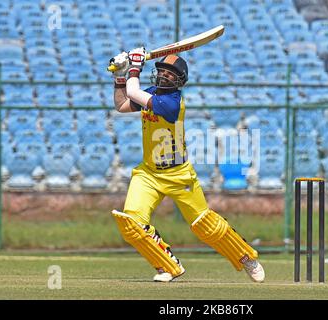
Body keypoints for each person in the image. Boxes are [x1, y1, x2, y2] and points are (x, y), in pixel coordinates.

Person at [108, 47, 265, 283]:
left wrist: (134, 67)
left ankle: (246, 258)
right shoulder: (150, 93)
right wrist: (120, 76)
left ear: (179, 81)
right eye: (162, 71)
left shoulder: (172, 103)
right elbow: (122, 105)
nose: (165, 76)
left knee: (205, 225)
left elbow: (133, 90)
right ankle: (167, 267)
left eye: (171, 74)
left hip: (178, 174)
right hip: (148, 173)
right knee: (131, 223)